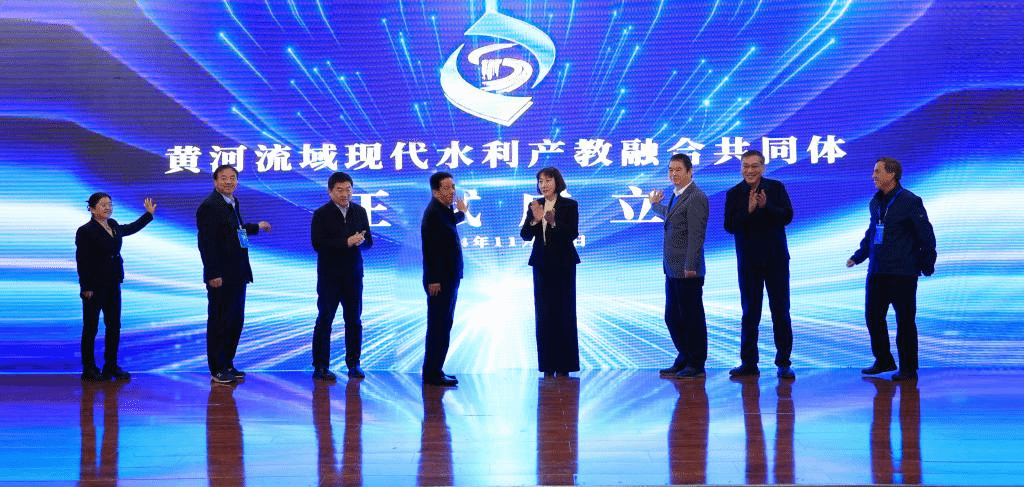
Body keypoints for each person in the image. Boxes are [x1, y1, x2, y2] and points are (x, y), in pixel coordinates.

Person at [847, 157, 936, 381]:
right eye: (874, 171)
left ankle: (908, 368)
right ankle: (883, 360)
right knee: (873, 316)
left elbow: (926, 234)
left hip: (903, 272)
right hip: (878, 270)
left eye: (878, 171)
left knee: (905, 321)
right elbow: (872, 232)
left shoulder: (910, 201)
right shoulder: (875, 202)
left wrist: (927, 263)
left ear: (892, 174)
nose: (873, 176)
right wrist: (858, 256)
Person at [724, 149, 796, 379]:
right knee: (750, 313)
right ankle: (748, 363)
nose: (750, 170)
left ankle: (783, 362)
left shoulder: (776, 188)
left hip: (776, 260)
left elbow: (787, 216)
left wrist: (766, 207)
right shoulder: (734, 193)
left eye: (754, 166)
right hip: (749, 263)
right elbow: (729, 225)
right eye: (745, 166)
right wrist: (748, 210)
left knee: (781, 311)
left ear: (763, 168)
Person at [196, 165, 271, 384]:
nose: (229, 182)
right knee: (219, 321)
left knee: (234, 321)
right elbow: (206, 243)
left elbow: (235, 232)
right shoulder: (210, 205)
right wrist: (213, 273)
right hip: (221, 275)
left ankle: (227, 363)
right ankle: (217, 368)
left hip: (238, 272)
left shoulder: (232, 202)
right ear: (215, 181)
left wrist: (257, 227)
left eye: (233, 178)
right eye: (224, 178)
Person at [75, 193, 155, 381]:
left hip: (113, 282)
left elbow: (130, 228)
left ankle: (111, 365)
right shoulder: (85, 231)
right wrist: (86, 286)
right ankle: (89, 368)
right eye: (103, 205)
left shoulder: (113, 225)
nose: (108, 208)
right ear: (92, 208)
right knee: (91, 328)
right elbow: (82, 260)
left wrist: (148, 215)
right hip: (94, 286)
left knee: (114, 326)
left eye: (109, 204)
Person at [649, 153, 709, 378]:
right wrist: (655, 206)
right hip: (672, 268)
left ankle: (696, 362)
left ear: (690, 172)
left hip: (687, 270)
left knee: (691, 318)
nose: (673, 174)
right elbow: (671, 216)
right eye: (670, 170)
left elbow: (696, 235)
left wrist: (691, 265)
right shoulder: (678, 194)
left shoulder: (696, 197)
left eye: (678, 170)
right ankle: (684, 356)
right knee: (673, 317)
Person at [310, 171, 373, 381]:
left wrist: (361, 242)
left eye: (348, 189)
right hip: (329, 276)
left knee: (354, 320)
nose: (345, 194)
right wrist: (346, 242)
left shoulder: (360, 211)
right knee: (325, 319)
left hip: (353, 275)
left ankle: (354, 364)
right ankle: (320, 366)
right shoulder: (321, 214)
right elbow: (318, 244)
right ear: (330, 192)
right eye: (339, 190)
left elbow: (369, 241)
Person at [520, 167, 581, 377]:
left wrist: (554, 223)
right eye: (540, 181)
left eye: (547, 180)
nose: (543, 185)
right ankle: (547, 365)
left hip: (564, 265)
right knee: (544, 315)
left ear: (557, 182)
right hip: (542, 265)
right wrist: (535, 220)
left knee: (564, 312)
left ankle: (564, 365)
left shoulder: (569, 205)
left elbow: (572, 233)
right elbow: (525, 235)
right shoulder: (535, 205)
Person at [420, 172, 467, 387]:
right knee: (438, 326)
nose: (452, 191)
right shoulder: (433, 213)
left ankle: (436, 370)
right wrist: (434, 280)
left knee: (443, 324)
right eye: (447, 188)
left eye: (453, 186)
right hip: (439, 281)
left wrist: (461, 213)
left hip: (449, 277)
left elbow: (450, 223)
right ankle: (432, 373)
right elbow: (430, 250)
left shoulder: (443, 210)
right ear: (435, 191)